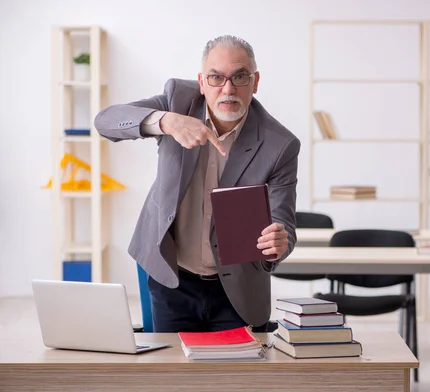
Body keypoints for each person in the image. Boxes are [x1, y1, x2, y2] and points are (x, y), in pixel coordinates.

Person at [94, 35, 301, 333]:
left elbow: (284, 223)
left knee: (231, 378)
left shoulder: (280, 144)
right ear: (202, 82)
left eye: (240, 76)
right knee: (171, 375)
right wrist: (166, 121)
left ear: (255, 82)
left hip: (237, 288)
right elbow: (106, 121)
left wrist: (279, 243)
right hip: (171, 275)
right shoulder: (177, 101)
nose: (227, 89)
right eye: (216, 77)